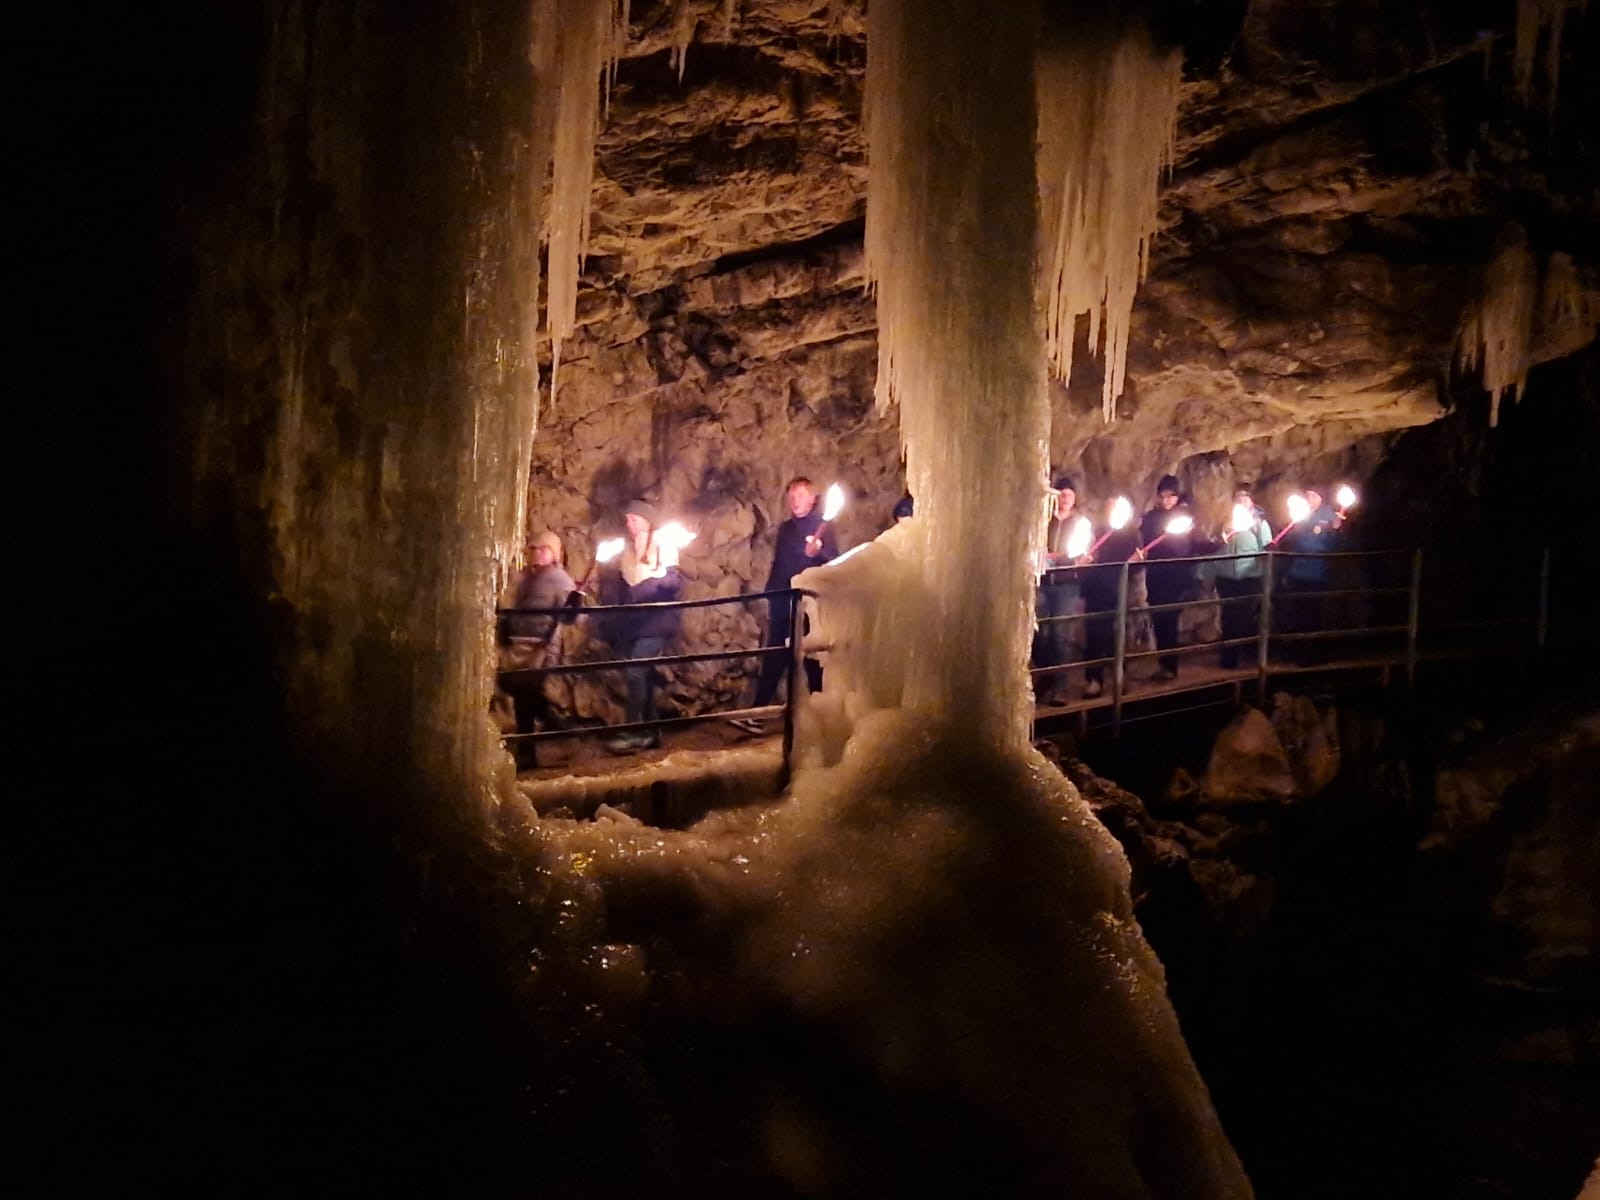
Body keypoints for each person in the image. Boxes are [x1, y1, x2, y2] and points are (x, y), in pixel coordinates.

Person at [598, 500, 684, 752]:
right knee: (641, 673)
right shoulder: (627, 551)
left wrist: (644, 589)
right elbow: (625, 588)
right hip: (636, 622)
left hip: (657, 620)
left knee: (636, 672)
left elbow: (672, 581)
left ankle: (633, 731)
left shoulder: (663, 543)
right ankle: (650, 730)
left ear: (646, 520)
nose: (629, 523)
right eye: (627, 519)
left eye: (633, 519)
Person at [752, 476, 838, 709]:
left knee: (810, 652)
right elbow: (782, 564)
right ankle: (760, 709)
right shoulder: (786, 529)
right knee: (778, 652)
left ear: (812, 498)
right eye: (791, 496)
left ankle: (819, 708)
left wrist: (819, 551)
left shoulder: (823, 529)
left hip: (807, 600)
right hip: (782, 598)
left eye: (800, 495)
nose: (794, 501)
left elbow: (833, 562)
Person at [494, 530, 577, 765]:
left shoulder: (560, 580)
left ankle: (536, 746)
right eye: (535, 549)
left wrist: (573, 605)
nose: (539, 554)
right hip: (518, 645)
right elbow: (514, 606)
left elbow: (568, 619)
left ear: (554, 553)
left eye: (544, 549)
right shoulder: (525, 578)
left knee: (525, 696)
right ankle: (557, 729)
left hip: (539, 647)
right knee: (522, 693)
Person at [1138, 475, 1206, 682]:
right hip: (1156, 576)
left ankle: (1170, 666)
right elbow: (1145, 541)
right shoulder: (1151, 518)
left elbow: (1195, 545)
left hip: (1176, 578)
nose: (1167, 500)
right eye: (1163, 495)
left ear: (1177, 497)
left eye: (1171, 496)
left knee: (1170, 621)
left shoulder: (1184, 519)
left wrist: (1217, 543)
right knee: (1159, 620)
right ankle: (1164, 664)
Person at [1079, 498, 1141, 699]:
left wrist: (1136, 562)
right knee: (1094, 636)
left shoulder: (1131, 536)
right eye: (1110, 507)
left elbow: (1135, 568)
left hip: (1119, 591)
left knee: (1118, 637)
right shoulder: (1096, 532)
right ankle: (1094, 680)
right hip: (1096, 590)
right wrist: (1084, 562)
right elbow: (1083, 558)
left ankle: (1119, 677)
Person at [1277, 486, 1343, 663]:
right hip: (1298, 572)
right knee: (1299, 613)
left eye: (1313, 494)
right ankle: (1301, 653)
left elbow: (1335, 546)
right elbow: (1291, 542)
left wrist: (1336, 530)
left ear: (1321, 498)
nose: (1309, 498)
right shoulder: (1300, 515)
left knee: (1314, 613)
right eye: (1307, 494)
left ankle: (1315, 654)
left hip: (1317, 573)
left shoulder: (1329, 517)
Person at [1034, 475, 1084, 704]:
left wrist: (1067, 559)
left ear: (1075, 498)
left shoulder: (1080, 522)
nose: (1065, 498)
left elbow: (1081, 551)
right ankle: (1047, 674)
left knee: (1060, 634)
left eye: (1069, 494)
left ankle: (1060, 685)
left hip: (1066, 583)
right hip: (1043, 582)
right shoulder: (1044, 521)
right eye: (1061, 494)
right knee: (1038, 633)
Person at [1212, 484, 1273, 669]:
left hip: (1249, 576)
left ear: (1251, 501)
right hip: (1226, 576)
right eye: (1238, 498)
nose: (1241, 501)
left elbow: (1267, 546)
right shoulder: (1226, 522)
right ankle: (1228, 658)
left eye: (1245, 498)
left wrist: (1268, 552)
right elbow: (1216, 546)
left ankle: (1245, 655)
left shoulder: (1259, 524)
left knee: (1245, 616)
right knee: (1228, 616)